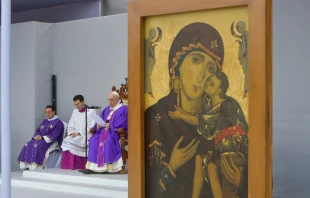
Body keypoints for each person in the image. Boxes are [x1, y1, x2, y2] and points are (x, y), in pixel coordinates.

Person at [145, 22, 245, 198]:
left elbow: (247, 157)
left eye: (211, 69)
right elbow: (146, 185)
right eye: (196, 60)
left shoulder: (223, 114)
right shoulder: (158, 116)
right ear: (177, 64)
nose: (201, 76)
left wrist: (240, 180)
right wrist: (171, 167)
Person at [169, 72, 248, 198]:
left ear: (219, 91)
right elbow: (201, 119)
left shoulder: (226, 105)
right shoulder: (209, 106)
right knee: (206, 164)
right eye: (209, 80)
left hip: (233, 147)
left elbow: (200, 120)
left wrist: (181, 116)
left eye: (212, 84)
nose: (207, 83)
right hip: (220, 146)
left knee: (227, 181)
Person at [80, 91, 128, 174]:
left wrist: (110, 125)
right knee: (94, 140)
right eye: (109, 100)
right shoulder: (107, 109)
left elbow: (123, 122)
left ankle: (106, 167)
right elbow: (101, 119)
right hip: (102, 131)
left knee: (108, 141)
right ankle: (92, 168)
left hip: (114, 132)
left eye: (112, 100)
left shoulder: (124, 109)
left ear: (117, 100)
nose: (110, 102)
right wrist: (97, 126)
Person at [17, 105, 64, 170]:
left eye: (49, 112)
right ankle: (26, 166)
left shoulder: (58, 122)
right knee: (27, 144)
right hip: (41, 139)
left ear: (53, 112)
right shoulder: (44, 121)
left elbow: (56, 134)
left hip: (51, 141)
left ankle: (36, 167)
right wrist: (37, 136)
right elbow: (38, 130)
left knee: (37, 146)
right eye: (46, 112)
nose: (47, 114)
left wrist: (42, 138)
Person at [61, 95, 97, 170]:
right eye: (75, 104)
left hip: (85, 135)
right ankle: (67, 166)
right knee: (66, 140)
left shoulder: (91, 111)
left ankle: (77, 166)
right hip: (75, 134)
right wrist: (71, 133)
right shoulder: (75, 111)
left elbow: (91, 126)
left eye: (78, 104)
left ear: (83, 102)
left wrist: (79, 133)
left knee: (72, 142)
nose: (76, 106)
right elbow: (71, 123)